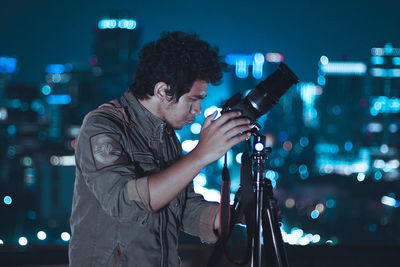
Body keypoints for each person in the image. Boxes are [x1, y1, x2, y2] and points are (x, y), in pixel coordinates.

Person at [69, 31, 252, 267]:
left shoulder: (166, 137)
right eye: (193, 99)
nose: (198, 109)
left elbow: (182, 208)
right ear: (163, 91)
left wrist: (235, 214)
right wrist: (201, 154)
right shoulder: (103, 126)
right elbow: (123, 202)